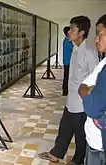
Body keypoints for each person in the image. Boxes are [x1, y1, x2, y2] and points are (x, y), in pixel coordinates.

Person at [38, 16, 99, 165]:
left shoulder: (89, 51)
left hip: (81, 102)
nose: (69, 32)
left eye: (73, 29)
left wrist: (89, 101)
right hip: (71, 98)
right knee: (65, 127)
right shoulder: (75, 48)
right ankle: (56, 153)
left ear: (81, 33)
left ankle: (78, 160)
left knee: (80, 133)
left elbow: (95, 78)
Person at [78, 14, 106, 165]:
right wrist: (89, 90)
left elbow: (93, 109)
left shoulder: (90, 53)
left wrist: (89, 91)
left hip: (100, 146)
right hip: (95, 141)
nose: (96, 39)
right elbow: (83, 86)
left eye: (99, 34)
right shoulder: (103, 64)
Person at [62, 26, 74, 96]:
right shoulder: (68, 41)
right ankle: (65, 91)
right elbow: (73, 50)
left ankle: (65, 90)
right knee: (67, 77)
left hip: (66, 61)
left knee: (66, 76)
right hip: (68, 62)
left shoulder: (66, 40)